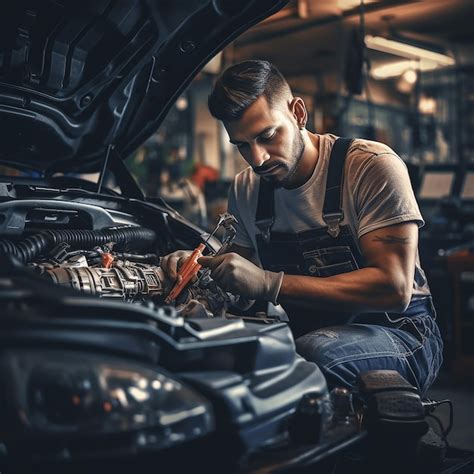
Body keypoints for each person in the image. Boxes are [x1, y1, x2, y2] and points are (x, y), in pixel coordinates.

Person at [161, 60, 443, 394]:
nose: (257, 159)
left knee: (313, 354)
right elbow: (237, 287)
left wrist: (270, 283)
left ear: (298, 112)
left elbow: (394, 289)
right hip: (311, 332)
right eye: (241, 145)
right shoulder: (246, 188)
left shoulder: (370, 167)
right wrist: (199, 272)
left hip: (402, 334)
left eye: (267, 136)